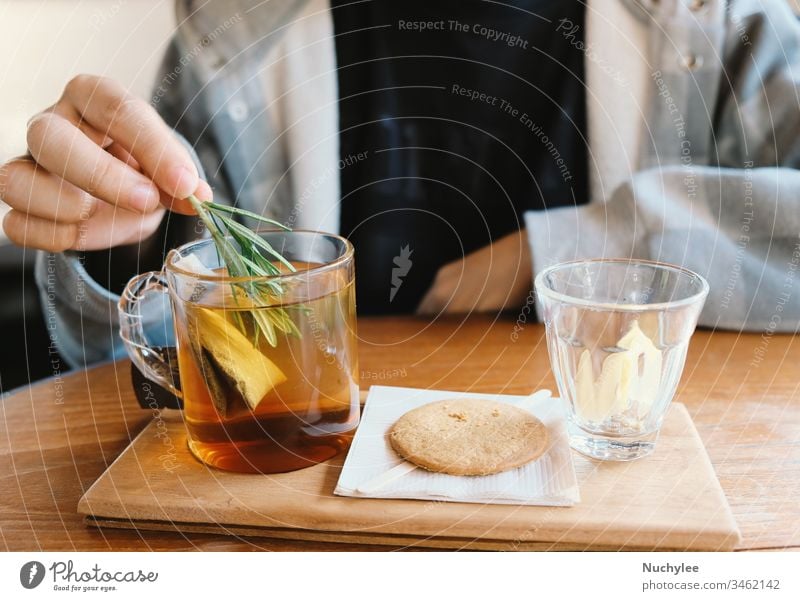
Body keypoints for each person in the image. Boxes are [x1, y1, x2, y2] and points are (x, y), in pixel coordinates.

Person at [1, 0, 799, 369]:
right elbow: (143, 357)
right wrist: (123, 239)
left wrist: (585, 249)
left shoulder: (715, 29)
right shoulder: (233, 47)